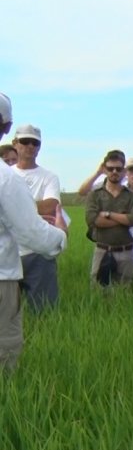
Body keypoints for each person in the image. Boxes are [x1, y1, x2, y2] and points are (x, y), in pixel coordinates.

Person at [0, 91, 67, 372]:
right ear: (6, 129)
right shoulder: (7, 178)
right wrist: (61, 237)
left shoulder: (37, 176)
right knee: (5, 354)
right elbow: (31, 231)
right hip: (3, 276)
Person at [10, 124, 63, 311]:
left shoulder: (49, 177)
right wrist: (34, 209)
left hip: (39, 251)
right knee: (8, 314)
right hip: (8, 253)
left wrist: (13, 209)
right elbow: (43, 208)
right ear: (15, 143)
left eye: (35, 143)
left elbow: (51, 206)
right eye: (25, 141)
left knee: (43, 311)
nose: (30, 146)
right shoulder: (6, 176)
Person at [84, 151, 133, 286]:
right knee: (99, 291)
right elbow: (93, 220)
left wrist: (109, 214)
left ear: (124, 171)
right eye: (110, 168)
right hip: (102, 250)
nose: (114, 171)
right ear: (105, 169)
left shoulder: (132, 196)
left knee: (125, 293)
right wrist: (123, 219)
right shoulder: (95, 195)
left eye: (118, 169)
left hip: (126, 252)